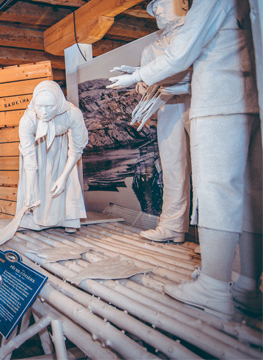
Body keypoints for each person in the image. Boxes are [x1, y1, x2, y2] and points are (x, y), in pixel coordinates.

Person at [108, 0, 261, 319]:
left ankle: (215, 285)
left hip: (214, 99)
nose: (157, 13)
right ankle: (245, 282)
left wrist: (138, 75)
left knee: (217, 188)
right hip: (236, 98)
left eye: (162, 5)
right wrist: (151, 82)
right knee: (246, 192)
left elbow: (185, 53)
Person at [113, 0, 191, 244]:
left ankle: (219, 241)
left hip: (198, 102)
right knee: (172, 167)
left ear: (184, 4)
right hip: (167, 107)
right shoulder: (151, 48)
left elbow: (200, 71)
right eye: (152, 6)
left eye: (162, 3)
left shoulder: (198, 33)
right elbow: (145, 82)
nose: (156, 9)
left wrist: (160, 82)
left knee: (210, 170)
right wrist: (143, 83)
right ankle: (173, 225)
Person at [17, 80, 88, 232]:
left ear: (58, 103)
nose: (43, 112)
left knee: (66, 183)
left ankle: (68, 219)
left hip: (63, 152)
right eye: (39, 106)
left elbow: (76, 148)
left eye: (49, 107)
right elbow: (29, 157)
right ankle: (34, 218)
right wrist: (29, 188)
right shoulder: (28, 119)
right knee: (35, 184)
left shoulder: (72, 113)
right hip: (37, 151)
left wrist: (63, 177)